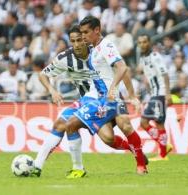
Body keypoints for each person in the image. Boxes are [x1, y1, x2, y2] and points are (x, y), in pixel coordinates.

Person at [32, 24, 147, 178]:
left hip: (110, 97)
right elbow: (42, 74)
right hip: (87, 100)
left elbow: (122, 68)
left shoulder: (99, 49)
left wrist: (131, 95)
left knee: (122, 126)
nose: (77, 44)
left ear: (86, 38)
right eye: (73, 41)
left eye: (80, 39)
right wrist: (52, 91)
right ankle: (36, 167)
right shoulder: (65, 58)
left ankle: (78, 168)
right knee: (107, 138)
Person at [64, 16, 148, 175]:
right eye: (81, 32)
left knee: (125, 125)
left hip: (113, 98)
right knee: (108, 139)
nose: (83, 36)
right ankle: (135, 150)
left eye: (86, 32)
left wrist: (127, 94)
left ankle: (141, 166)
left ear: (97, 30)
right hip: (100, 101)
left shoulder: (106, 45)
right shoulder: (92, 49)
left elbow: (122, 68)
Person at [137, 34, 173, 161]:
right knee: (145, 122)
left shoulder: (155, 56)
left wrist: (168, 94)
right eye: (140, 42)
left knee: (158, 123)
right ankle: (164, 146)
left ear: (150, 43)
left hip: (161, 94)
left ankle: (162, 154)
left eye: (145, 42)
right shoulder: (144, 58)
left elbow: (165, 74)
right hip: (154, 94)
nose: (142, 44)